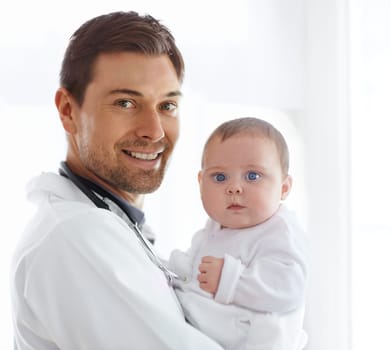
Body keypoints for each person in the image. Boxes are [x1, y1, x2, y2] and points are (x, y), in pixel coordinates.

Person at [10, 11, 224, 350]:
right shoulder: (76, 235)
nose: (154, 131)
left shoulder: (108, 223)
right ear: (68, 110)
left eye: (167, 105)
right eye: (125, 102)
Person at [168, 117, 309, 350]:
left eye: (252, 176)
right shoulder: (216, 226)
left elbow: (287, 287)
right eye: (220, 177)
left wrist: (230, 279)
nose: (233, 188)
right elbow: (197, 267)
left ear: (284, 188)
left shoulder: (279, 231)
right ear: (201, 183)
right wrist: (178, 270)